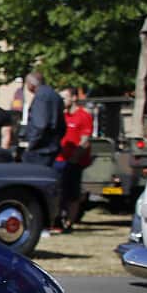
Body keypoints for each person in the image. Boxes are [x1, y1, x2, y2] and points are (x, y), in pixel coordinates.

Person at [58, 85, 94, 231]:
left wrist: (74, 157)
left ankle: (69, 223)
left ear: (73, 98)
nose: (61, 101)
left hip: (74, 162)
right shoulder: (61, 115)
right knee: (60, 192)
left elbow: (85, 140)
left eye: (64, 97)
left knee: (72, 194)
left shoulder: (83, 115)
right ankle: (58, 219)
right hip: (59, 160)